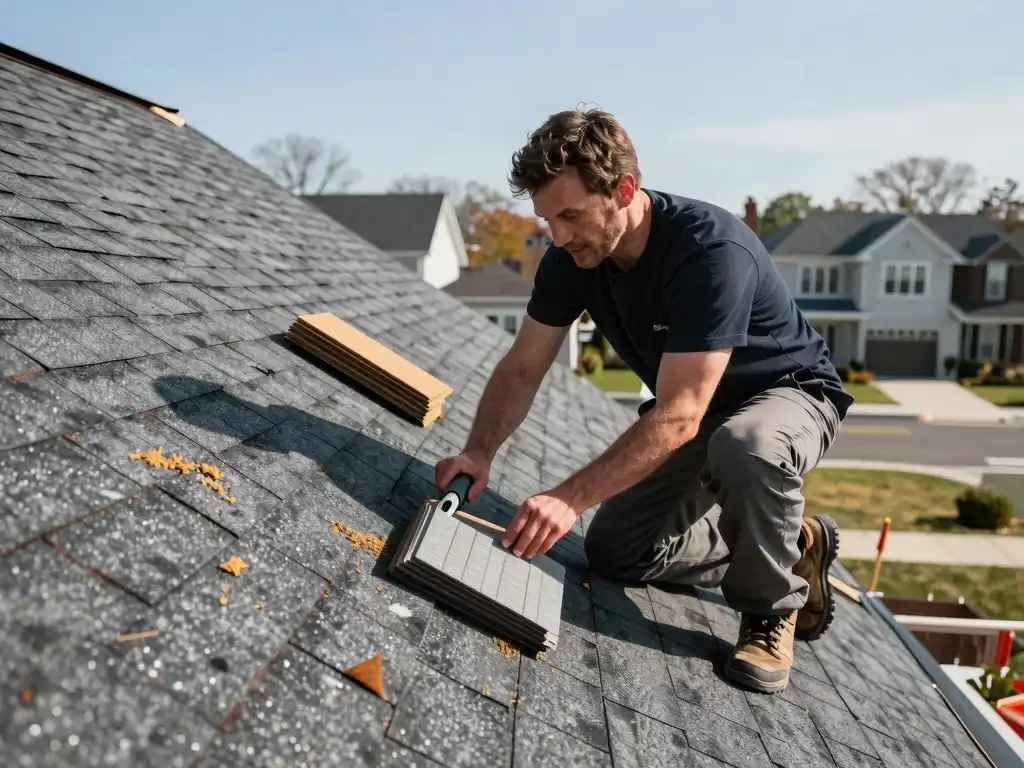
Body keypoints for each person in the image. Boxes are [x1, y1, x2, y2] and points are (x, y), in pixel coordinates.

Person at [434, 107, 853, 694]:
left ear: (624, 189)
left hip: (785, 393)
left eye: (572, 215)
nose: (558, 236)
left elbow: (680, 412)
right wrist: (478, 453)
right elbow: (523, 366)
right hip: (698, 408)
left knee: (746, 446)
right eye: (548, 219)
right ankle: (792, 542)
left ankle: (770, 609)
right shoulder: (572, 259)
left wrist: (569, 496)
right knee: (615, 552)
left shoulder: (710, 250)